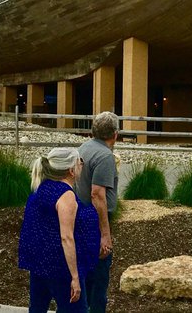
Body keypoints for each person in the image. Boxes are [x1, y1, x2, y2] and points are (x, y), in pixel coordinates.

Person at [18, 147, 100, 313]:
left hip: (39, 264)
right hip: (61, 268)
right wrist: (75, 277)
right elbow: (66, 238)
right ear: (71, 170)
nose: (81, 166)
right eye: (79, 162)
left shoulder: (41, 187)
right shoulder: (66, 195)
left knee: (37, 309)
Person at [74, 112, 120, 312]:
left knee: (85, 275)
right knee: (99, 279)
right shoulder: (104, 156)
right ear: (115, 134)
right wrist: (105, 234)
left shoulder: (84, 148)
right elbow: (97, 195)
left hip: (79, 217)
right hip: (94, 222)